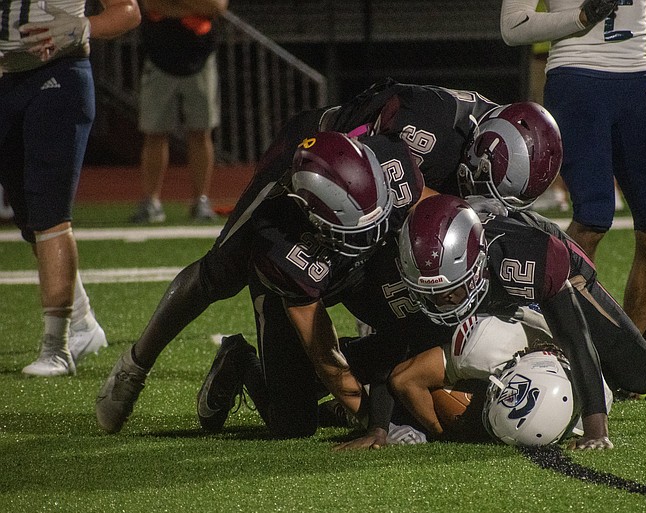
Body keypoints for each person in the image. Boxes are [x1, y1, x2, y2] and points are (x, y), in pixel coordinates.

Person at [93, 79, 560, 439]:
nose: (378, 233)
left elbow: (434, 222)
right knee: (222, 275)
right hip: (309, 178)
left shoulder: (397, 170)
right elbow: (326, 354)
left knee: (419, 308)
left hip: (362, 181)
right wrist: (371, 423)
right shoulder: (284, 241)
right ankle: (139, 366)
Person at [393, 194, 646, 449]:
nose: (443, 302)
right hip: (497, 280)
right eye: (433, 293)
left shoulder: (530, 263)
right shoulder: (425, 256)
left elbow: (576, 338)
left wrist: (595, 428)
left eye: (452, 291)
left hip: (562, 275)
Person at [500, 0, 646, 334]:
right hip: (576, 77)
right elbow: (513, 26)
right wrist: (580, 17)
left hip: (639, 85)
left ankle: (633, 366)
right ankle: (553, 341)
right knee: (592, 219)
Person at [0, 0, 140, 376]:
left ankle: (56, 346)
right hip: (5, 83)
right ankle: (82, 324)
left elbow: (128, 11)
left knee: (49, 215)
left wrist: (83, 27)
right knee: (30, 219)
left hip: (57, 75)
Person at [130, 0, 227, 224]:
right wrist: (194, 6)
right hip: (159, 57)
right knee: (154, 134)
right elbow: (150, 4)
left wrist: (176, 5)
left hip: (200, 56)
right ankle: (151, 201)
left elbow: (216, 6)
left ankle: (200, 200)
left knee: (201, 132)